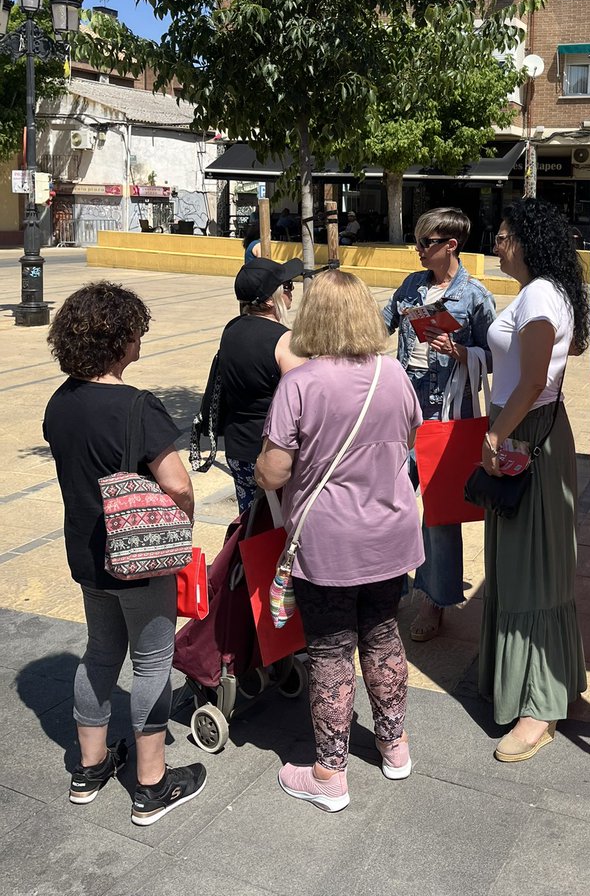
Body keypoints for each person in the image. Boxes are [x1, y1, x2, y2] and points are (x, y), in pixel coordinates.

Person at [255, 270, 423, 813]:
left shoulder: (300, 384)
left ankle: (329, 773)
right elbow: (408, 438)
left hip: (330, 540)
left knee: (329, 649)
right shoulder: (394, 372)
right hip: (391, 532)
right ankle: (395, 747)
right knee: (382, 633)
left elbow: (274, 472)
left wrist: (262, 466)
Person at [42, 282, 207, 825]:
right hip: (138, 558)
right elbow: (178, 484)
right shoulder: (138, 407)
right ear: (120, 338)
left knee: (100, 653)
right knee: (153, 661)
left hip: (88, 552)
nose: (141, 341)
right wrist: (181, 518)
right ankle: (152, 784)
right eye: (137, 332)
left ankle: (89, 770)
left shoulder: (60, 402)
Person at [479, 198, 589, 762]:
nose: (496, 242)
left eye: (502, 235)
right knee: (522, 564)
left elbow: (533, 380)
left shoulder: (542, 293)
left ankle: (539, 705)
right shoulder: (537, 292)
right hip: (529, 427)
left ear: (525, 240)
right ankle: (525, 683)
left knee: (534, 568)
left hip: (530, 431)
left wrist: (497, 435)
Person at [383, 208, 495, 641]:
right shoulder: (412, 286)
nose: (418, 249)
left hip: (444, 412)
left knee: (439, 515)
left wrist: (462, 352)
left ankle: (435, 598)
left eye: (426, 242)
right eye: (417, 241)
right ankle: (389, 583)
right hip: (403, 408)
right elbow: (383, 322)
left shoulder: (474, 297)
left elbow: (496, 355)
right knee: (389, 501)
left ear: (451, 245)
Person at [217, 257, 306, 513]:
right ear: (269, 299)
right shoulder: (285, 341)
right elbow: (302, 402)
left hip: (238, 444)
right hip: (275, 450)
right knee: (282, 528)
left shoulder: (231, 330)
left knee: (252, 523)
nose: (291, 291)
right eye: (287, 286)